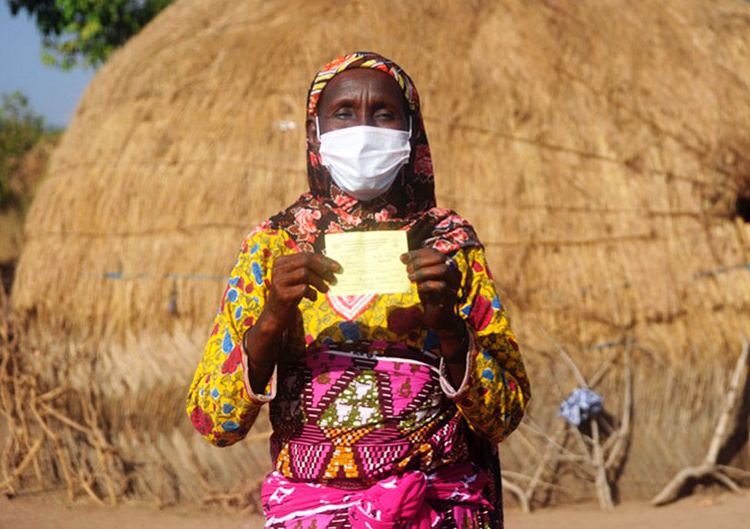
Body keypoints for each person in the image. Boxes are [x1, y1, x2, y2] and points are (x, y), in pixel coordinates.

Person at [186, 53, 530, 528]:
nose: (364, 130)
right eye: (344, 113)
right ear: (316, 133)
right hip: (313, 513)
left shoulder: (449, 244)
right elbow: (213, 420)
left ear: (410, 134)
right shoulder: (272, 246)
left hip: (437, 511)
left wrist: (450, 326)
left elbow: (505, 415)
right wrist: (271, 320)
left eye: (384, 114)